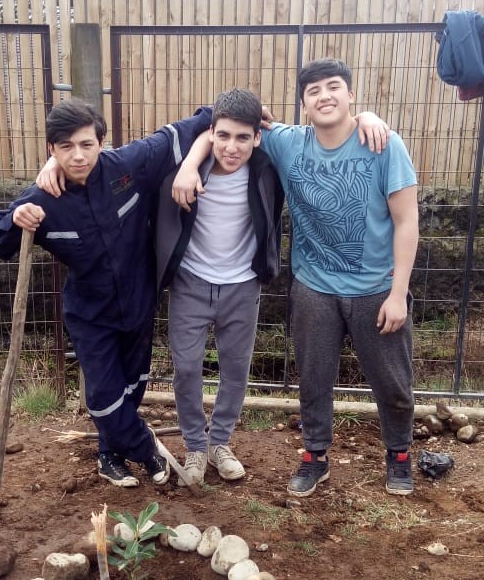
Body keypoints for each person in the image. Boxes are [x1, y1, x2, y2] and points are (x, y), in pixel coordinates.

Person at [172, 59, 417, 497]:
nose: (324, 96)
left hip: (375, 287)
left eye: (334, 87)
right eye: (314, 91)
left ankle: (399, 454)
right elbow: (223, 122)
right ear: (302, 104)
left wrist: (399, 293)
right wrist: (191, 160)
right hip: (313, 286)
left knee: (391, 379)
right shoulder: (285, 143)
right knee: (313, 377)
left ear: (351, 94)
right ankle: (315, 457)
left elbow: (406, 222)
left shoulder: (385, 145)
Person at [0, 97, 212, 488]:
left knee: (131, 387)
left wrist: (242, 111)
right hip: (91, 314)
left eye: (86, 144)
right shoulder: (42, 198)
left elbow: (197, 122)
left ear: (101, 142)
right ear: (50, 150)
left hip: (139, 303)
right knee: (105, 396)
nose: (77, 156)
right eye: (66, 147)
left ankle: (110, 456)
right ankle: (147, 450)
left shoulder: (129, 165)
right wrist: (15, 220)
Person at [154, 88, 284, 484]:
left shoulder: (268, 168)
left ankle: (220, 442)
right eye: (223, 135)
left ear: (257, 138)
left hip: (242, 286)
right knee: (188, 367)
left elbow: (317, 137)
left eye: (243, 137)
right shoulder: (186, 166)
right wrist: (192, 161)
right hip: (191, 282)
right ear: (211, 133)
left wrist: (366, 119)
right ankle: (195, 446)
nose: (232, 146)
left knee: (235, 370)